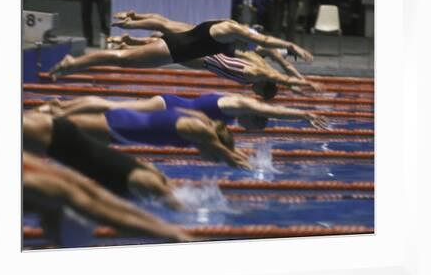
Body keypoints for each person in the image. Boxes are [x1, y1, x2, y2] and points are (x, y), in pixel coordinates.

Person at [103, 11, 322, 98]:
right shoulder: (258, 70)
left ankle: (132, 23)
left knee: (168, 30)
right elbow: (277, 59)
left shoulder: (258, 57)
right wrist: (298, 83)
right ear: (261, 86)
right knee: (169, 45)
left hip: (213, 47)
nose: (253, 93)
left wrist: (298, 79)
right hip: (209, 58)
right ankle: (130, 40)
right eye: (258, 93)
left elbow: (277, 57)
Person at [48, 10, 313, 79]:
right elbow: (264, 41)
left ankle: (122, 41)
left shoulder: (222, 29)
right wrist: (291, 45)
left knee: (125, 58)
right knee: (120, 60)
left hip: (175, 50)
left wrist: (289, 67)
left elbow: (165, 22)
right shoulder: (231, 30)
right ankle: (75, 63)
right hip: (173, 50)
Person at [23, 152, 192, 242]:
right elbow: (108, 214)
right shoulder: (41, 187)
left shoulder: (40, 179)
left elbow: (100, 202)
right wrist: (173, 234)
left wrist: (171, 233)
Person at [23, 112, 181, 208]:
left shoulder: (147, 174)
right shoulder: (143, 182)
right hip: (62, 141)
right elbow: (173, 203)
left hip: (67, 137)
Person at [26, 107, 250, 168]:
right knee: (56, 126)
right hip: (121, 127)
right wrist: (251, 169)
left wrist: (241, 153)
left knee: (59, 134)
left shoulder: (202, 119)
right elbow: (228, 157)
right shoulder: (201, 132)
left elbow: (226, 150)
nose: (210, 160)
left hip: (125, 127)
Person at [35, 93, 329, 131]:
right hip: (167, 104)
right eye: (251, 126)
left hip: (171, 110)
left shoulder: (233, 115)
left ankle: (61, 109)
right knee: (114, 107)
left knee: (114, 113)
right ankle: (61, 108)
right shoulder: (240, 104)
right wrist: (303, 115)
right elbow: (270, 109)